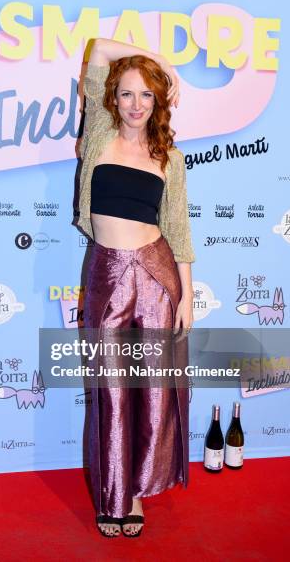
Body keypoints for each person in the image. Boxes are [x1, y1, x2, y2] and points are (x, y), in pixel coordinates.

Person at [76, 38, 195, 537]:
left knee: (151, 391)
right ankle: (113, 493)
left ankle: (138, 494)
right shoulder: (99, 135)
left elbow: (180, 231)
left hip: (157, 274)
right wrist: (165, 66)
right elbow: (101, 47)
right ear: (111, 100)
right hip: (106, 272)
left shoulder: (171, 157)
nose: (136, 104)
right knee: (111, 390)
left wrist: (186, 294)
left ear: (158, 104)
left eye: (148, 95)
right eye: (127, 94)